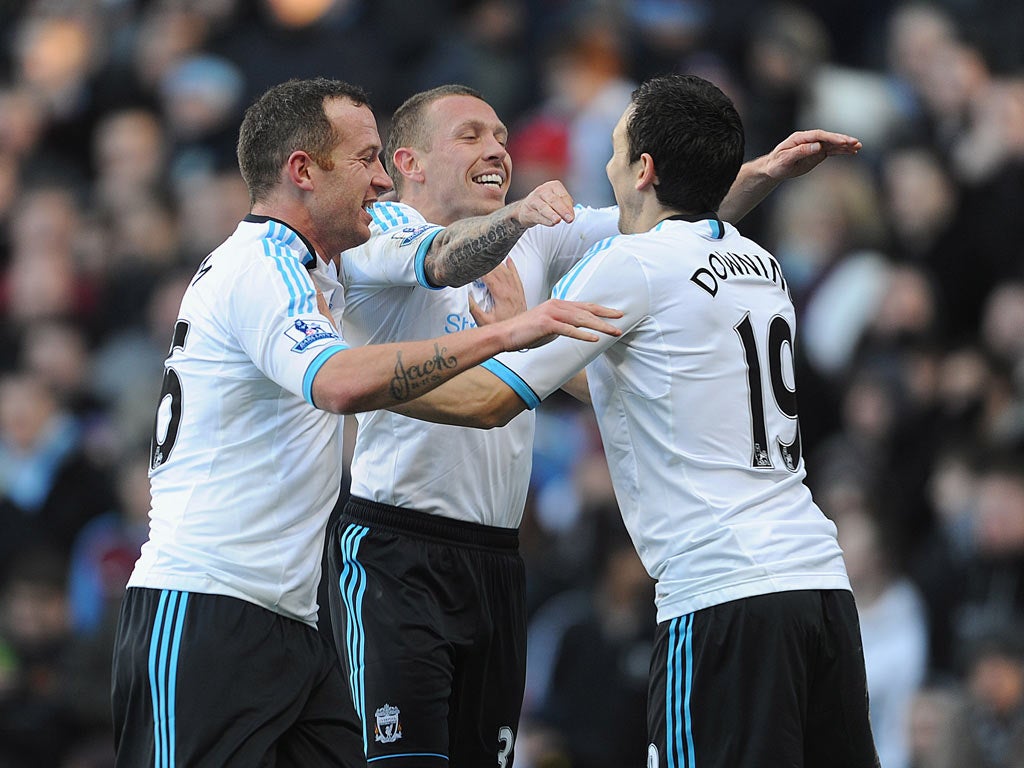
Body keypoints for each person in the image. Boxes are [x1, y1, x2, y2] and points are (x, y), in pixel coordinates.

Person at [328, 81, 862, 765]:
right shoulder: (387, 234)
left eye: (500, 134)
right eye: (471, 136)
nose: (497, 148)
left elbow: (662, 223)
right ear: (409, 163)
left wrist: (350, 384)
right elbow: (449, 258)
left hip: (570, 566)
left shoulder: (579, 251)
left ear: (642, 166)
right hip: (400, 550)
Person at [109, 77, 622, 768]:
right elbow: (340, 383)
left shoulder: (319, 271)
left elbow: (441, 314)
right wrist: (505, 335)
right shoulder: (260, 267)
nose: (382, 180)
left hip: (294, 621)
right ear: (302, 171)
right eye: (366, 159)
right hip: (206, 606)